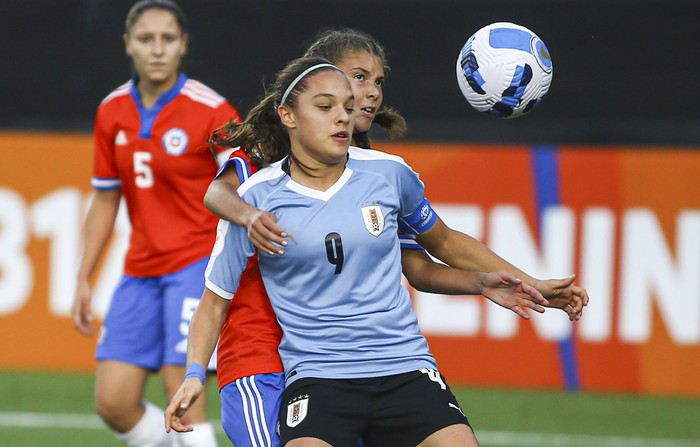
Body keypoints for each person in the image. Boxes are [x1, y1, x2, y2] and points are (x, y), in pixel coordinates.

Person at [191, 28, 587, 447]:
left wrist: (528, 283)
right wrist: (250, 216)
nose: (370, 93)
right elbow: (219, 192)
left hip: (352, 365)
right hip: (263, 357)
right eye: (357, 78)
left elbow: (424, 259)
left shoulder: (375, 173)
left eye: (377, 82)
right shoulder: (268, 159)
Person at [71, 1, 240, 445]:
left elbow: (249, 187)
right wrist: (84, 276)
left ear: (183, 45)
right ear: (128, 46)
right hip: (140, 271)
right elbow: (106, 198)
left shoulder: (212, 110)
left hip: (196, 267)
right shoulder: (111, 111)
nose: (158, 49)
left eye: (168, 38)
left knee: (181, 394)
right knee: (113, 401)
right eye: (146, 39)